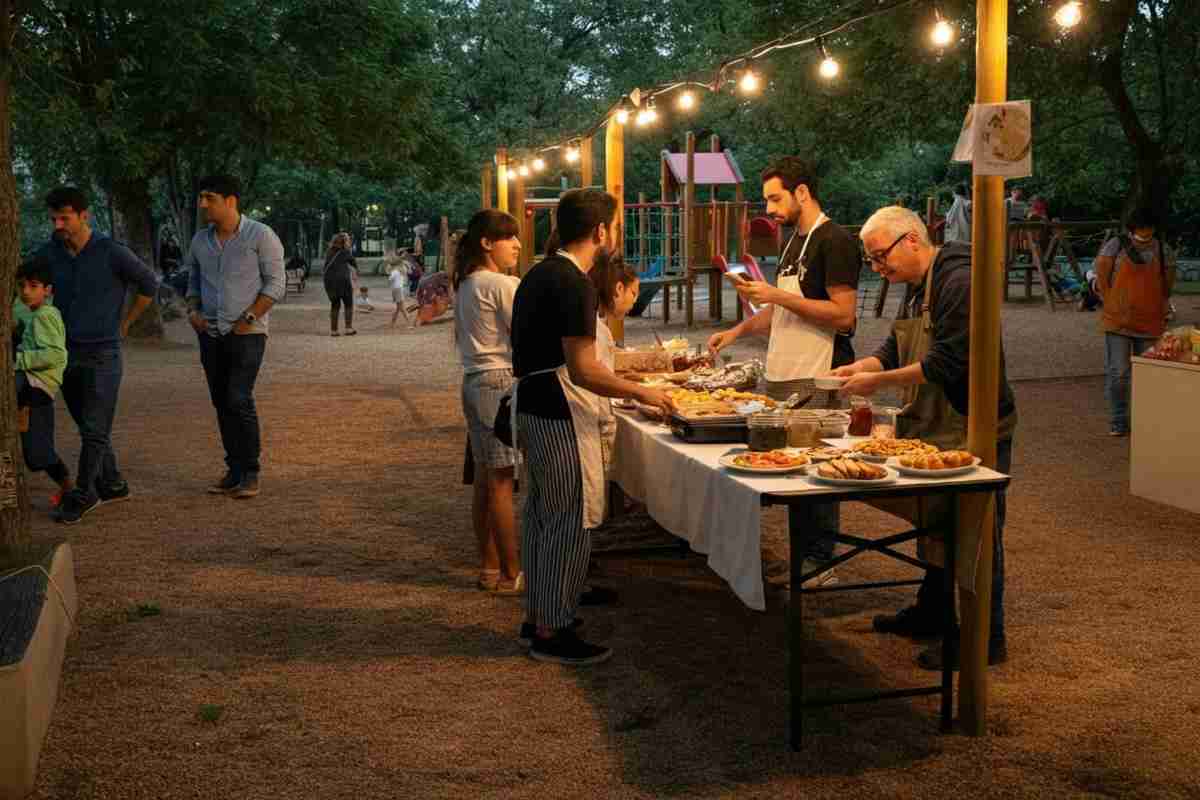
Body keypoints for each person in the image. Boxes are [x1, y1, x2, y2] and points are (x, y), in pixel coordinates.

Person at [828, 205, 1017, 670]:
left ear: (910, 240)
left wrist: (881, 381)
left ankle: (985, 637)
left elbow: (947, 362)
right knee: (938, 521)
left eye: (878, 258)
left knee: (976, 527)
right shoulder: (917, 286)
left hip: (974, 419)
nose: (877, 269)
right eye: (871, 261)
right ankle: (933, 611)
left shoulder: (959, 281)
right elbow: (896, 343)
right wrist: (864, 367)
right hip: (937, 423)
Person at [510, 188, 672, 666]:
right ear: (601, 231)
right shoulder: (574, 282)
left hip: (533, 402)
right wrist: (643, 392)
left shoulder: (538, 273)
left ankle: (539, 615)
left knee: (542, 515)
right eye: (615, 226)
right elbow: (584, 369)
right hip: (557, 405)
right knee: (567, 520)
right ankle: (552, 630)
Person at [707, 156, 860, 584]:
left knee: (818, 465)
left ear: (803, 192)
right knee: (788, 466)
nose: (770, 209)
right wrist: (736, 330)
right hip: (783, 369)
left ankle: (821, 559)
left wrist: (776, 294)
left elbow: (843, 316)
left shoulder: (836, 240)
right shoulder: (794, 240)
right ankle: (800, 556)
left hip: (820, 368)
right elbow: (780, 310)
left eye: (775, 198)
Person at [40, 186, 158, 525]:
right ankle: (113, 483)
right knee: (89, 426)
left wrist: (126, 323)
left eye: (65, 217)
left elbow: (149, 284)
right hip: (65, 354)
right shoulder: (50, 253)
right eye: (53, 219)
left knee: (94, 427)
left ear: (84, 215)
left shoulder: (111, 252)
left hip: (104, 353)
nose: (58, 224)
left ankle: (84, 493)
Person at [185, 174, 286, 499]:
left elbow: (275, 284)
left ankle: (251, 471)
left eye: (209, 198)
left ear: (230, 201)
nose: (202, 204)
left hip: (248, 333)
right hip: (210, 334)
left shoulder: (261, 235)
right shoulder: (200, 240)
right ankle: (234, 469)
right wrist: (193, 311)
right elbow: (193, 281)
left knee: (238, 397)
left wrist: (250, 317)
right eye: (201, 197)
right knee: (220, 401)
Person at [453, 209, 524, 595]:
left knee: (485, 480)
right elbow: (524, 335)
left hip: (474, 382)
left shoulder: (466, 283)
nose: (516, 244)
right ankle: (513, 573)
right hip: (498, 381)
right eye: (508, 237)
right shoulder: (501, 283)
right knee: (500, 483)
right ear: (486, 243)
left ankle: (489, 567)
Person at [1094, 206, 1175, 437]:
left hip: (1150, 320)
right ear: (1132, 227)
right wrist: (1109, 301)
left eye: (1149, 228)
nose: (1145, 232)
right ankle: (1119, 419)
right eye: (1141, 227)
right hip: (1118, 320)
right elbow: (1101, 274)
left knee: (1147, 374)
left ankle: (1145, 419)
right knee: (1118, 372)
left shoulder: (1163, 250)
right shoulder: (1115, 246)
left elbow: (1167, 283)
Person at [13, 256, 73, 508]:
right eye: (22, 286)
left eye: (33, 286)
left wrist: (18, 360)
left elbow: (56, 354)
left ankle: (70, 490)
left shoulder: (45, 315)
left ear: (47, 290)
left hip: (36, 387)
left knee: (38, 454)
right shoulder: (37, 314)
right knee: (33, 451)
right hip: (29, 387)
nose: (26, 292)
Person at [588, 250, 640, 477]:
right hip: (591, 419)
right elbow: (591, 375)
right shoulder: (595, 328)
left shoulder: (598, 323)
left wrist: (620, 379)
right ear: (619, 288)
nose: (634, 301)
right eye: (634, 293)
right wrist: (640, 392)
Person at [323, 232, 357, 336]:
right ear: (344, 242)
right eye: (348, 240)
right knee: (348, 304)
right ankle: (348, 328)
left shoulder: (329, 252)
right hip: (343, 281)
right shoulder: (345, 252)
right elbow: (353, 263)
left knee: (335, 305)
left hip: (329, 281)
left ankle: (334, 330)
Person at [385, 248, 414, 327]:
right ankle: (392, 323)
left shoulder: (395, 271)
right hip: (399, 289)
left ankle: (409, 321)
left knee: (401, 308)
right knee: (399, 307)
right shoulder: (401, 269)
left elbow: (390, 279)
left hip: (396, 290)